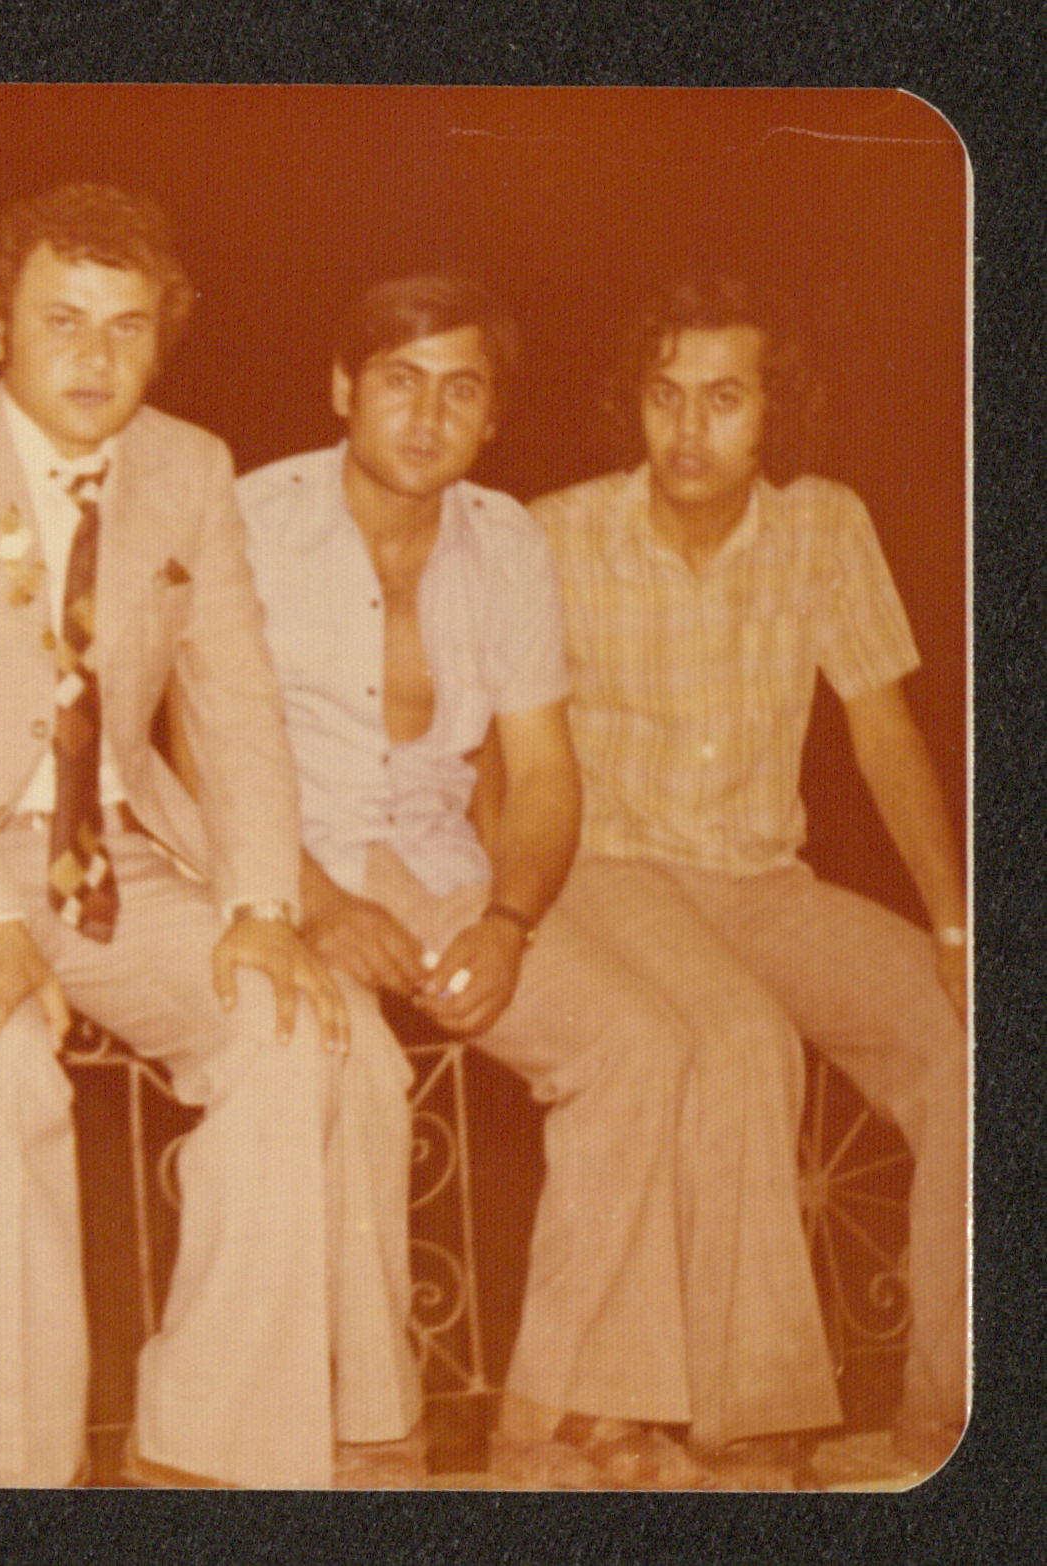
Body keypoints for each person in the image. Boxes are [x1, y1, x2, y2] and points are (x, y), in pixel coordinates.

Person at [0, 181, 415, 1491]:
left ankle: (206, 1454)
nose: (95, 356)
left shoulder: (190, 468)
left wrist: (260, 906)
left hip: (123, 852)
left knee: (289, 1027)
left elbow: (237, 703)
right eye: (63, 320)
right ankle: (15, 1481)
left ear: (161, 341)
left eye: (127, 326)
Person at [237, 273, 728, 1488]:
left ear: (493, 417)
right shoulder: (250, 519)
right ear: (342, 389)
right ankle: (369, 1432)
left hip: (440, 869)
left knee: (638, 1045)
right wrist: (312, 903)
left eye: (461, 391)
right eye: (399, 381)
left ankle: (559, 1412)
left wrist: (510, 920)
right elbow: (198, 749)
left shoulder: (506, 541)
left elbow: (545, 771)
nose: (426, 416)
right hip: (281, 861)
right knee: (350, 1061)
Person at [530, 274, 969, 1480]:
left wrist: (954, 923)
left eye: (724, 399)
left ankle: (950, 1413)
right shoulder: (560, 533)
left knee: (969, 1041)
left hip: (763, 881)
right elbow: (504, 747)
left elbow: (885, 734)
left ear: (776, 408)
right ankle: (753, 1422)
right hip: (611, 867)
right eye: (665, 395)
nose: (688, 429)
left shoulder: (826, 528)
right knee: (744, 1041)